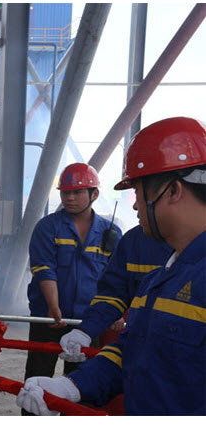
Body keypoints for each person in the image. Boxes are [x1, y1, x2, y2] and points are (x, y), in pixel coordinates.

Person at [16, 116, 206, 415]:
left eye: (139, 192)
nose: (135, 205)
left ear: (173, 191)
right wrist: (72, 386)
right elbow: (132, 350)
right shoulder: (161, 276)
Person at [22, 163, 122, 415]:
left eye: (77, 192)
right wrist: (53, 306)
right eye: (65, 192)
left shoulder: (111, 232)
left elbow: (116, 279)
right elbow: (44, 269)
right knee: (37, 379)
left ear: (94, 194)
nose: (70, 198)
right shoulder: (47, 227)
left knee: (79, 384)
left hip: (88, 323)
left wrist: (114, 312)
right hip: (48, 319)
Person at [58, 224, 173, 363]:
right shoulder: (134, 240)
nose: (136, 211)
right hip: (140, 353)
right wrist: (84, 332)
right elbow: (113, 294)